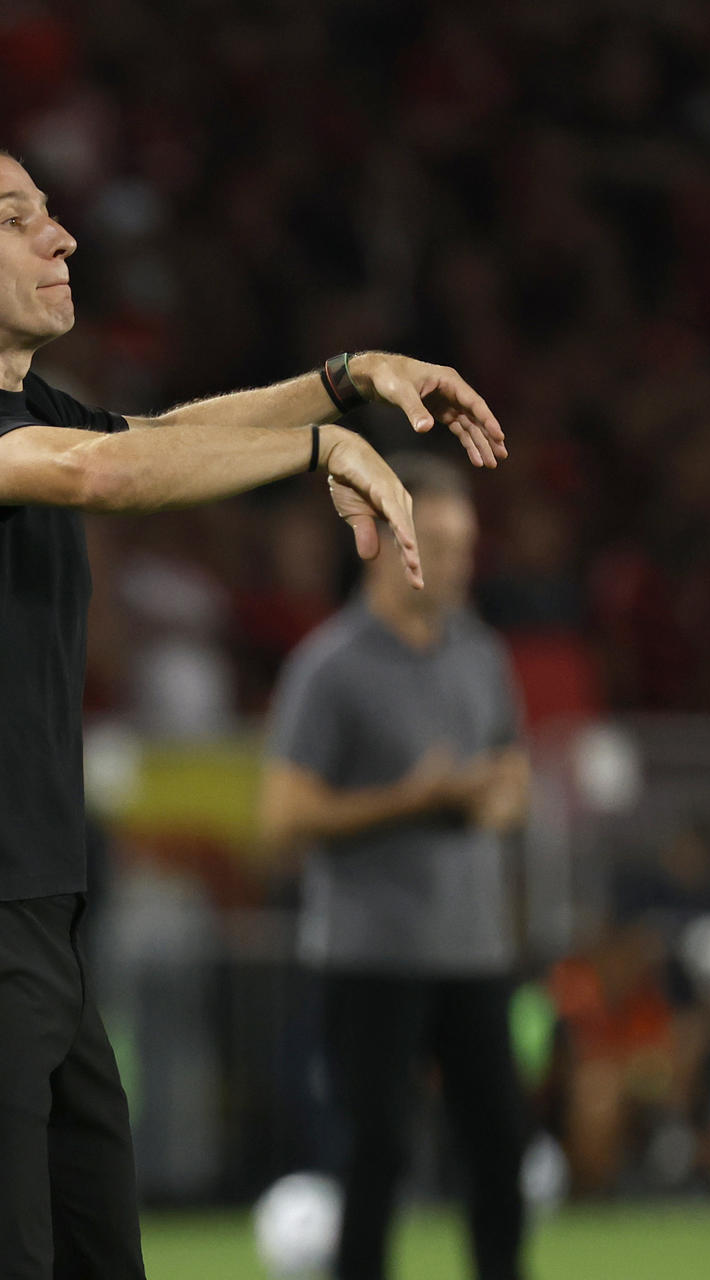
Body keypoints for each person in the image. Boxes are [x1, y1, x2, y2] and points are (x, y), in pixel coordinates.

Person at [0, 141, 505, 1280]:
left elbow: (154, 440)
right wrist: (318, 446)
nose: (63, 235)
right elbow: (103, 476)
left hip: (31, 921)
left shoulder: (22, 409)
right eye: (17, 217)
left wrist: (343, 380)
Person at [260, 452, 531, 1280]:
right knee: (374, 1157)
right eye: (439, 543)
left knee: (500, 1151)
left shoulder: (479, 652)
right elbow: (281, 822)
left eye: (465, 544)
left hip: (473, 948)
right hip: (369, 954)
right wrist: (411, 800)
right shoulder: (330, 666)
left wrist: (495, 799)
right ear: (387, 540)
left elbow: (512, 771)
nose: (458, 562)